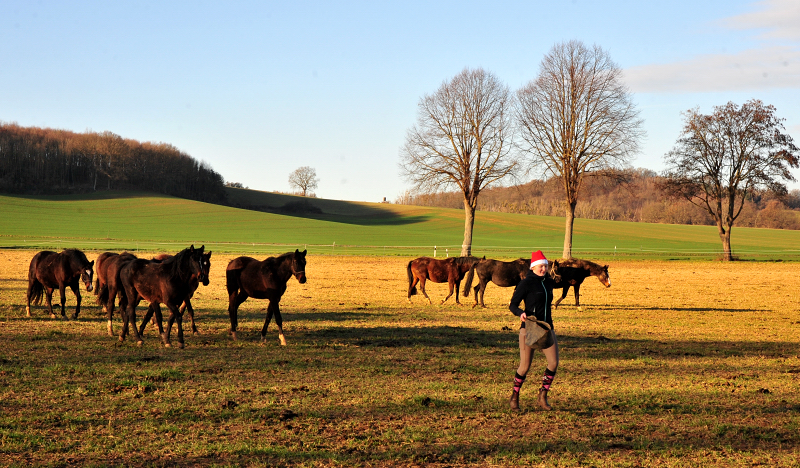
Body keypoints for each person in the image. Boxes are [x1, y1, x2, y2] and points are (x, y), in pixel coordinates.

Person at [507, 250, 559, 411]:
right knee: (525, 366)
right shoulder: (526, 283)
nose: (543, 269)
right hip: (528, 329)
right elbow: (512, 305)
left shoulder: (549, 282)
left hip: (546, 329)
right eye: (540, 266)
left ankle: (543, 395)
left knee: (554, 362)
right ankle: (515, 396)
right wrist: (520, 313)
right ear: (533, 267)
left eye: (545, 266)